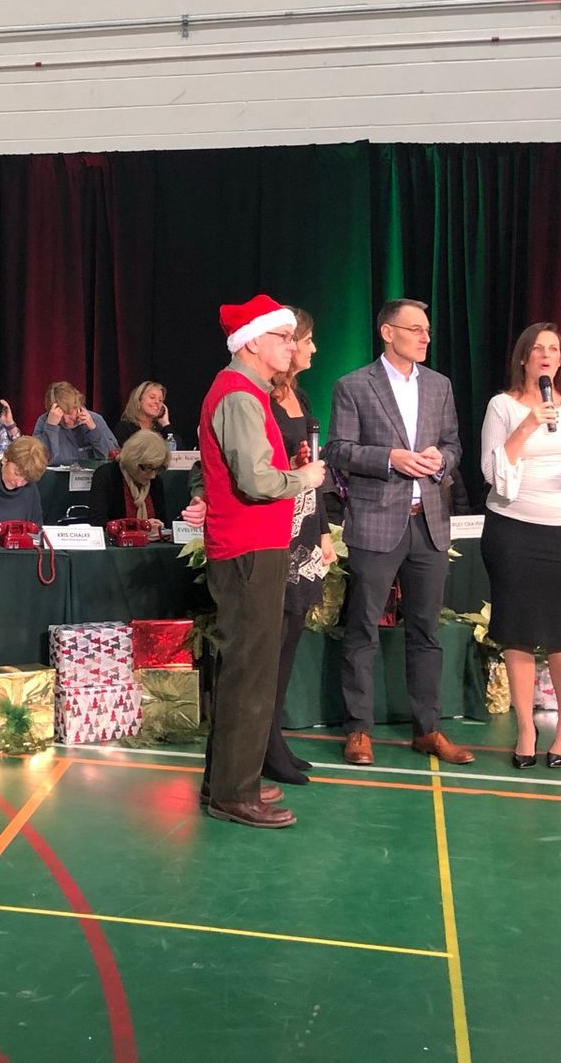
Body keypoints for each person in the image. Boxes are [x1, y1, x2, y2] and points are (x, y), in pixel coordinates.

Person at [326, 298, 475, 768]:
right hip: (376, 520)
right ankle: (358, 730)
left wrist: (440, 461)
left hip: (428, 521)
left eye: (427, 330)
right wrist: (391, 458)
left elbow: (453, 444)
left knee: (427, 630)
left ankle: (427, 729)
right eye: (415, 329)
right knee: (363, 628)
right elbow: (339, 450)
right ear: (388, 333)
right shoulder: (353, 385)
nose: (425, 337)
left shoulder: (440, 386)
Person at [196, 294, 318, 828]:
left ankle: (229, 782)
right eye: (282, 337)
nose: (291, 347)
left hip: (252, 545)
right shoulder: (241, 395)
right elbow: (257, 480)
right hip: (248, 549)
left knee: (246, 667)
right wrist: (303, 480)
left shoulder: (246, 393)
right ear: (251, 342)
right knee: (249, 670)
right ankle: (232, 793)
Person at [480, 323, 561, 769]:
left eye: (555, 349)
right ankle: (526, 728)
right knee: (518, 634)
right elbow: (493, 471)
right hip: (513, 530)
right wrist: (527, 425)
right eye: (538, 349)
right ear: (524, 358)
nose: (547, 356)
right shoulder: (503, 406)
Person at [262, 306, 337, 787]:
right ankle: (263, 742)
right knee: (270, 641)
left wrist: (325, 530)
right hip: (273, 528)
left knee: (290, 637)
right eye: (305, 341)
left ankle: (275, 739)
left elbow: (311, 470)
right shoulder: (261, 399)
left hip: (305, 524)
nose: (310, 349)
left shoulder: (300, 396)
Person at [88, 430, 171, 527]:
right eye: (148, 468)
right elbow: (98, 522)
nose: (152, 475)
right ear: (133, 461)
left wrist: (159, 528)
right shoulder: (107, 475)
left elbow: (162, 520)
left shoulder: (156, 482)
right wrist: (139, 527)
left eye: (157, 469)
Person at [31, 381, 119, 465]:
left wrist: (93, 430)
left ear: (78, 405)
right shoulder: (44, 421)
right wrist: (51, 428)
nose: (65, 420)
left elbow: (112, 456)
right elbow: (38, 461)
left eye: (69, 413)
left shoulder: (95, 419)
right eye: (60, 416)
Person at [114, 380, 182, 451]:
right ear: (139, 400)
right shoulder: (125, 428)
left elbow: (181, 453)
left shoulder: (161, 429)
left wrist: (166, 424)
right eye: (152, 397)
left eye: (160, 400)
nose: (157, 402)